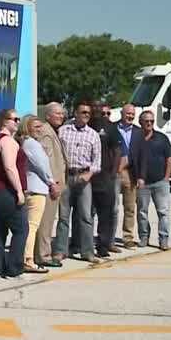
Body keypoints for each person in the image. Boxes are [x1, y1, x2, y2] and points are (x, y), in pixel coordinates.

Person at [55, 100, 102, 264]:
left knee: (86, 216)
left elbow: (97, 162)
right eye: (83, 112)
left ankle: (87, 252)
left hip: (84, 179)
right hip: (67, 177)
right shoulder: (62, 131)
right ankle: (61, 251)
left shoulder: (93, 135)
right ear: (75, 113)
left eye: (88, 113)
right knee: (63, 217)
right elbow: (57, 155)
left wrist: (89, 174)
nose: (86, 116)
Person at [0, 108, 29, 278]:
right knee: (21, 229)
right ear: (4, 121)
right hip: (6, 191)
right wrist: (19, 191)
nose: (18, 122)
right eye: (15, 119)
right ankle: (14, 269)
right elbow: (10, 167)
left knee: (0, 229)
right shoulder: (8, 142)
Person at [19, 114, 59, 273]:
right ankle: (28, 259)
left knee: (30, 226)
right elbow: (42, 166)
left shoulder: (27, 143)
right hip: (37, 189)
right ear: (27, 127)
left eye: (40, 126)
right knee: (32, 226)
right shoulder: (32, 144)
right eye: (35, 127)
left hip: (33, 188)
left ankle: (26, 257)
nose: (39, 129)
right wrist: (52, 182)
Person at [88, 101, 122, 257]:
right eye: (92, 108)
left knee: (105, 214)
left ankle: (103, 246)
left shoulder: (110, 128)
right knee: (86, 214)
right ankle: (84, 245)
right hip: (87, 178)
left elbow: (117, 152)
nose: (95, 110)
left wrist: (113, 174)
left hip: (105, 178)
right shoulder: (85, 125)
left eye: (98, 108)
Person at [36, 102, 67, 267]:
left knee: (49, 221)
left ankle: (41, 253)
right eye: (57, 113)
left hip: (56, 184)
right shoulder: (46, 133)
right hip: (50, 186)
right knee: (45, 222)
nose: (61, 116)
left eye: (62, 114)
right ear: (48, 115)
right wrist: (52, 183)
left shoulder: (53, 131)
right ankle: (43, 255)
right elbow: (44, 162)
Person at [136, 110, 171, 250]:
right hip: (142, 183)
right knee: (142, 212)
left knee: (163, 212)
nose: (149, 123)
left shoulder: (162, 138)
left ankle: (163, 239)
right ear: (141, 122)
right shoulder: (136, 138)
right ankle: (144, 237)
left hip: (160, 182)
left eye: (151, 121)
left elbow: (169, 159)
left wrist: (166, 178)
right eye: (146, 121)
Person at [116, 104, 144, 249]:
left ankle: (128, 238)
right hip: (114, 172)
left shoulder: (139, 132)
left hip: (130, 173)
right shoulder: (112, 128)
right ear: (122, 113)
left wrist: (141, 176)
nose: (130, 116)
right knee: (111, 207)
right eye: (128, 113)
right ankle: (107, 239)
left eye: (132, 114)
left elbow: (142, 155)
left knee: (130, 207)